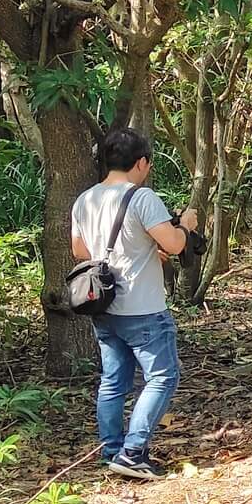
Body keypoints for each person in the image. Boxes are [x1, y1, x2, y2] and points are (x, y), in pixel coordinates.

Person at [70, 126, 200, 480]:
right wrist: (186, 226)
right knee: (163, 376)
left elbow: (81, 252)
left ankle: (111, 450)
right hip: (142, 307)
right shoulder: (142, 198)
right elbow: (173, 244)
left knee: (113, 381)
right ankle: (133, 451)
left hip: (104, 307)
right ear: (141, 162)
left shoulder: (85, 199)